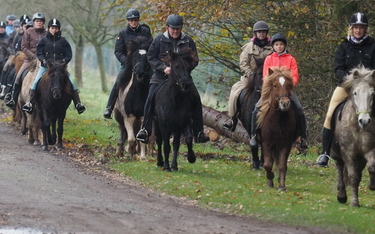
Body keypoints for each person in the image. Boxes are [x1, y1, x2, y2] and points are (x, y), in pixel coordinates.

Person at [315, 12, 375, 168]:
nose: (358, 30)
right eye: (356, 28)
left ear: (365, 29)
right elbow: (338, 68)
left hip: (367, 89)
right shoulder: (343, 46)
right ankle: (325, 153)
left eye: (361, 28)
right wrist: (349, 80)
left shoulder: (373, 46)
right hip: (346, 87)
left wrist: (369, 80)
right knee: (330, 114)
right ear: (351, 29)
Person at [135, 14, 210, 144]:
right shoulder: (159, 40)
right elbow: (151, 57)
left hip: (182, 78)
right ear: (167, 27)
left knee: (196, 98)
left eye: (178, 29)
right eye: (173, 28)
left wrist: (184, 70)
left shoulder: (188, 41)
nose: (175, 31)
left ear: (181, 28)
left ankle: (198, 132)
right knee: (150, 97)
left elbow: (195, 60)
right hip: (161, 77)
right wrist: (163, 67)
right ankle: (145, 130)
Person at [248, 33, 308, 151]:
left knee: (299, 109)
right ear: (273, 46)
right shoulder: (269, 59)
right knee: (256, 109)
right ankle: (253, 135)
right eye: (276, 44)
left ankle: (303, 137)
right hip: (272, 91)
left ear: (284, 45)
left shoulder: (291, 59)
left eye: (281, 44)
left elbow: (295, 76)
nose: (279, 47)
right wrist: (271, 86)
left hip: (286, 91)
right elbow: (265, 76)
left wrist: (289, 85)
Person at [22, 18, 85, 114]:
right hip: (46, 67)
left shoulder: (64, 41)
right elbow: (39, 53)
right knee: (35, 82)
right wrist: (44, 61)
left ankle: (78, 104)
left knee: (72, 83)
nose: (54, 30)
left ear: (59, 29)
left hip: (60, 68)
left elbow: (69, 55)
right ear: (48, 28)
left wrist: (64, 62)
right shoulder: (43, 40)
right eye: (52, 28)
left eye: (56, 28)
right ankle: (29, 103)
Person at [223, 21, 273, 132]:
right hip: (250, 77)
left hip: (268, 79)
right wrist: (250, 73)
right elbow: (243, 63)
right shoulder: (248, 47)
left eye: (263, 32)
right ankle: (232, 119)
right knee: (235, 91)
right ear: (255, 33)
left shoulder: (272, 47)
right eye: (259, 32)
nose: (261, 34)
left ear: (266, 33)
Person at [103, 8, 153, 119]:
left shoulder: (145, 32)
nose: (133, 22)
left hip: (144, 65)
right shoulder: (123, 34)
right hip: (128, 65)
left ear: (138, 20)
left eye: (135, 20)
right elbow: (118, 51)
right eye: (131, 20)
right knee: (118, 82)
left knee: (156, 80)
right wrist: (127, 62)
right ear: (128, 21)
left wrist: (146, 62)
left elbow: (151, 47)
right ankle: (109, 107)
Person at [7, 12, 47, 108]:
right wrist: (33, 56)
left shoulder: (46, 33)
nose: (39, 23)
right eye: (37, 21)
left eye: (41, 21)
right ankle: (13, 98)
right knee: (18, 76)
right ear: (34, 22)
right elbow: (24, 47)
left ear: (43, 23)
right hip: (29, 60)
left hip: (44, 61)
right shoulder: (28, 32)